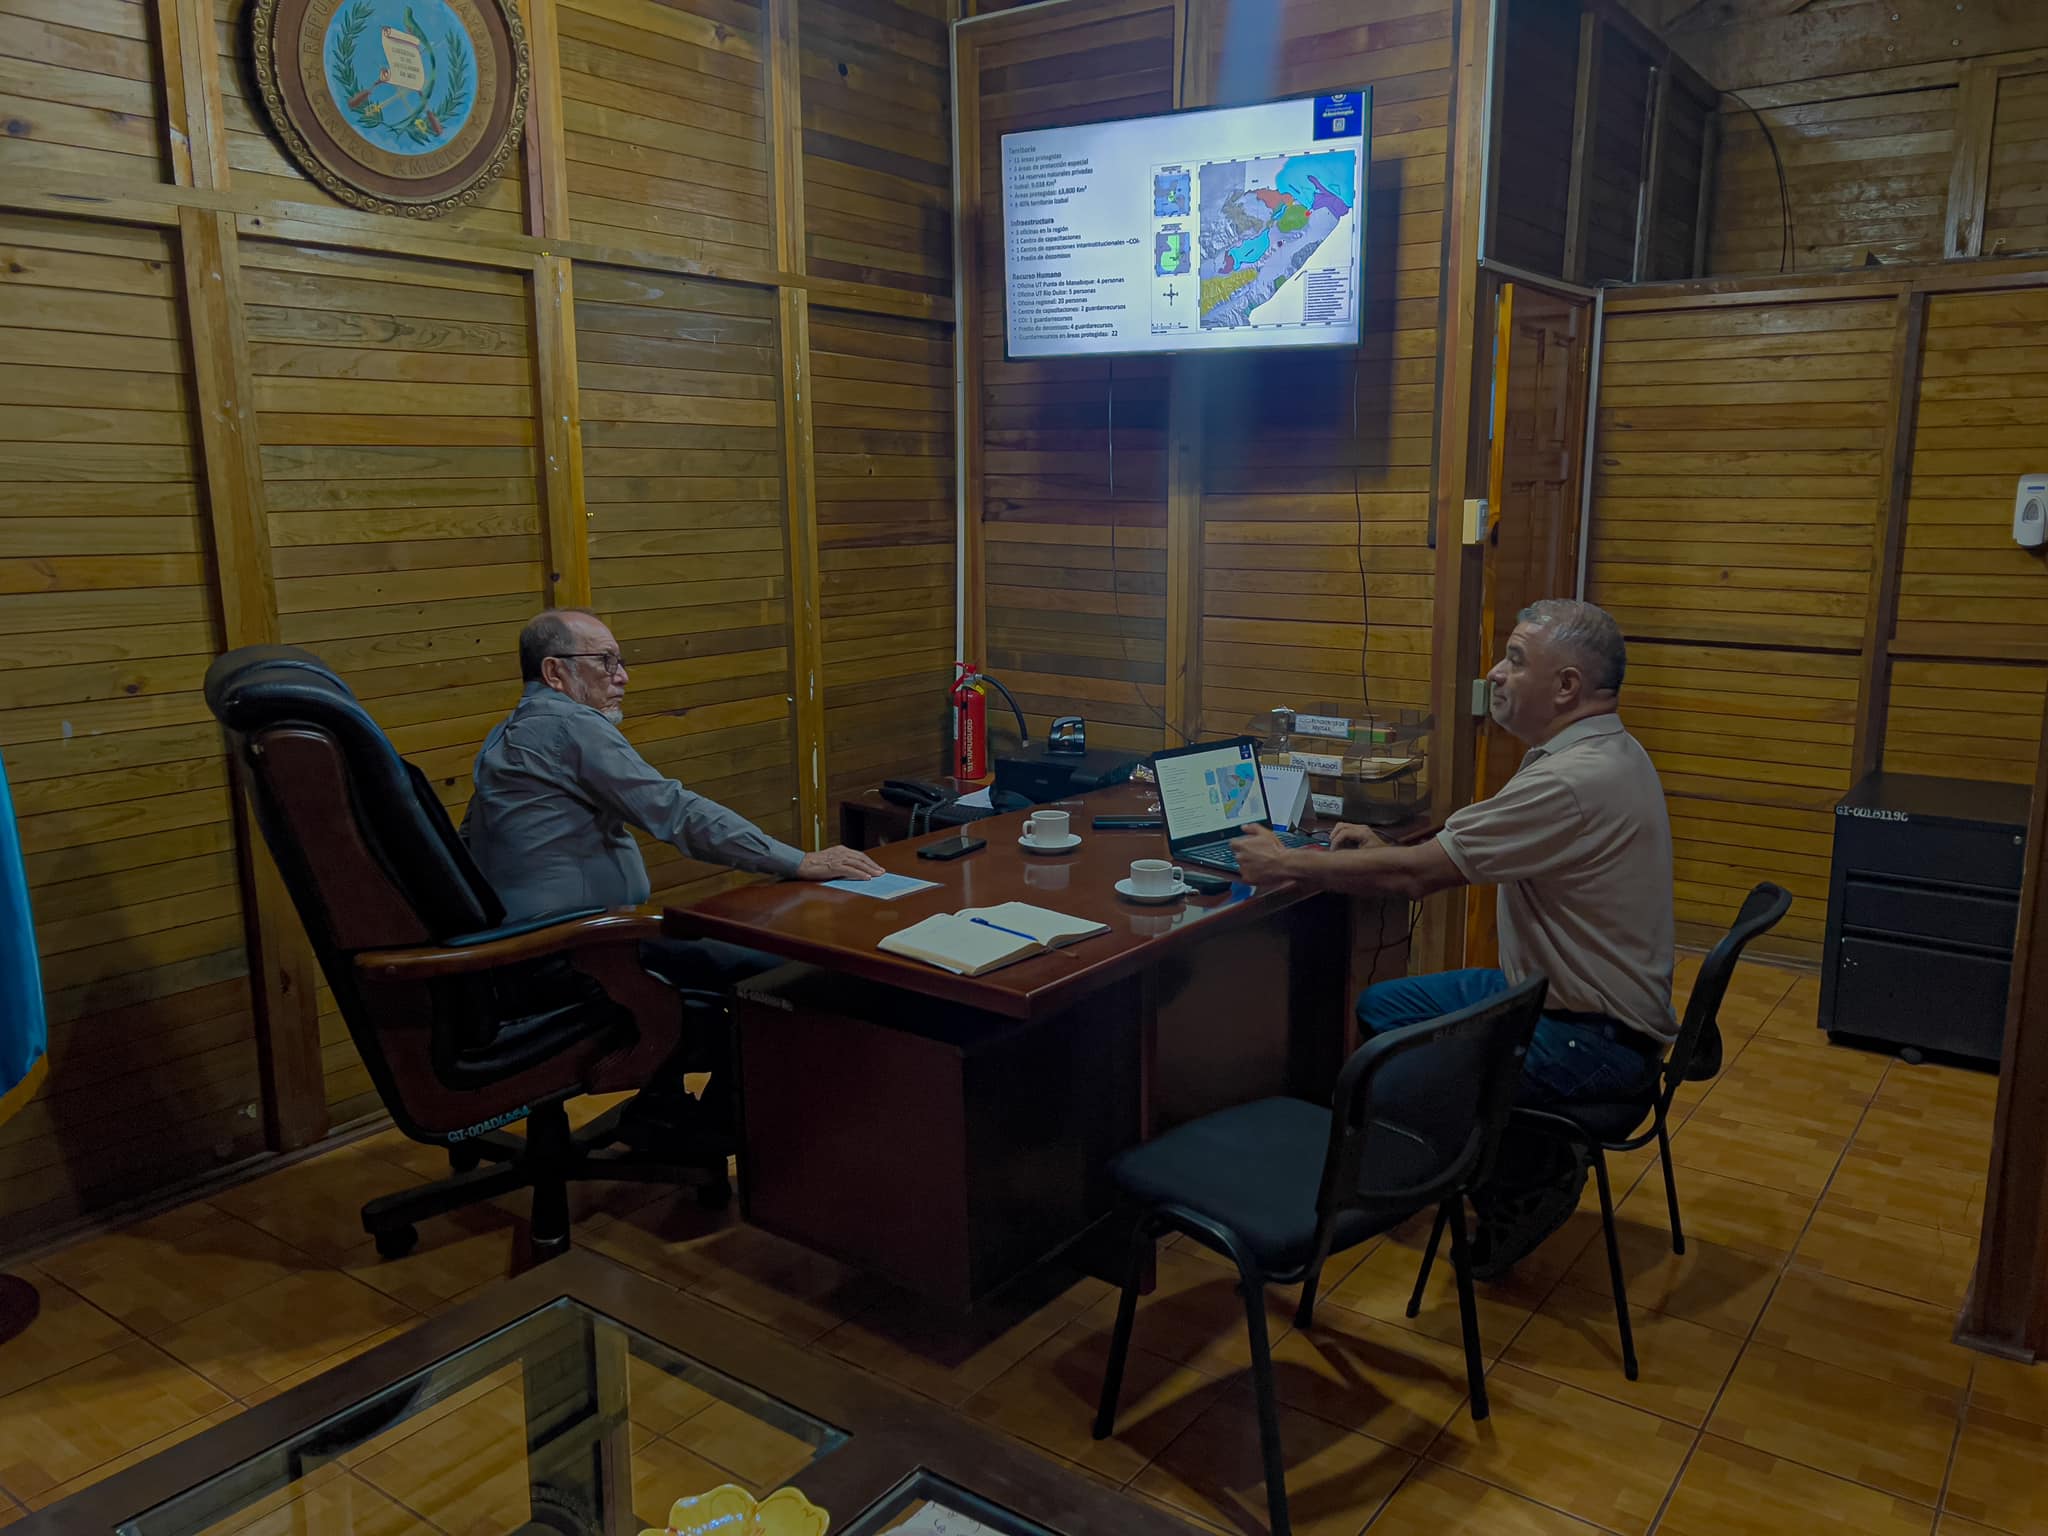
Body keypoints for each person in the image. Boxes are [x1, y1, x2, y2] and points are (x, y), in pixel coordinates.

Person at [1231, 598, 1674, 1275]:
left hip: (1593, 1036)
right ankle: (1513, 1156)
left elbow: (1417, 877)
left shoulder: (1573, 779)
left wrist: (1285, 863)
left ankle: (1527, 1177)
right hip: (1561, 1001)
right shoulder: (1603, 751)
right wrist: (1385, 850)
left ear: (1567, 687)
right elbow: (1447, 855)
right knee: (1386, 1009)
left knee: (1397, 1074)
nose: (1494, 673)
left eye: (1515, 660)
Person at [462, 608, 885, 1150]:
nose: (622, 676)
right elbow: (674, 811)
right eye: (605, 661)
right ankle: (709, 1134)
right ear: (554, 672)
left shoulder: (509, 733)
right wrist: (797, 861)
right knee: (788, 972)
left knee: (718, 951)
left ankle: (663, 1111)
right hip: (582, 951)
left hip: (534, 952)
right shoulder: (569, 727)